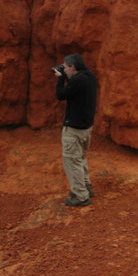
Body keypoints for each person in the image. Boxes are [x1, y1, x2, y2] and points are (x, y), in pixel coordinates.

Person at [54, 53, 97, 207]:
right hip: (86, 128)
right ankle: (86, 186)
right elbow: (75, 87)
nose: (64, 70)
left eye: (65, 67)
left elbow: (60, 95)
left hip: (74, 130)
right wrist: (66, 77)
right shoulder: (89, 77)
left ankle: (81, 195)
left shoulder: (78, 81)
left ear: (72, 67)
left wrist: (60, 78)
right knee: (80, 159)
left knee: (72, 162)